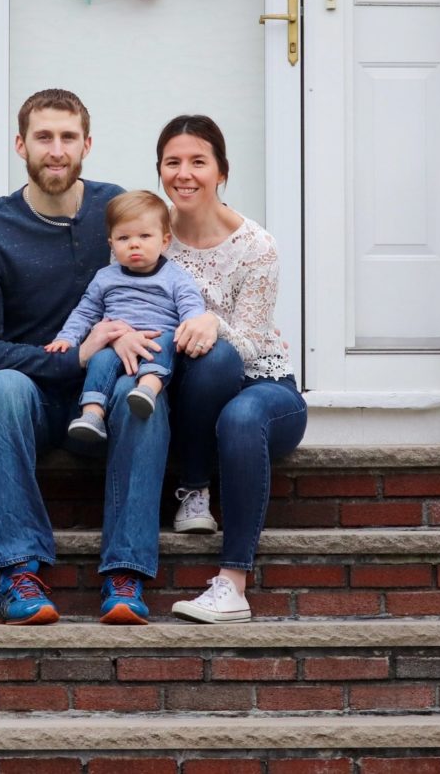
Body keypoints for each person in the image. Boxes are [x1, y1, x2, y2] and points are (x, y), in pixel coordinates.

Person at [0, 89, 169, 626]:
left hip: (107, 395)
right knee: (0, 388)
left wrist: (124, 336)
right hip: (31, 404)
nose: (56, 150)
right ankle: (18, 573)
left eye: (68, 137)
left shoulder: (116, 211)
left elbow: (162, 287)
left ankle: (126, 578)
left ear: (87, 145)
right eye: (44, 137)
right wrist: (72, 357)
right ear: (20, 144)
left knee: (139, 394)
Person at [133, 114, 307, 623]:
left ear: (221, 171)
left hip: (264, 389)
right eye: (172, 162)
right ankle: (194, 490)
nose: (184, 174)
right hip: (187, 394)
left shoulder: (256, 247)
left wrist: (212, 323)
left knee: (236, 398)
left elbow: (252, 343)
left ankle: (232, 584)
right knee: (207, 363)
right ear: (160, 170)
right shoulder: (151, 236)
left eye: (198, 162)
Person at [45, 190, 206, 443]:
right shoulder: (106, 277)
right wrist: (67, 338)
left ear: (164, 241)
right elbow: (86, 311)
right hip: (115, 341)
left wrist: (194, 327)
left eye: (144, 236)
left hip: (158, 336)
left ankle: (147, 390)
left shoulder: (176, 276)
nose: (134, 244)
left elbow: (190, 306)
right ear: (111, 244)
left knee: (164, 343)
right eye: (123, 238)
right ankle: (92, 415)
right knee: (100, 361)